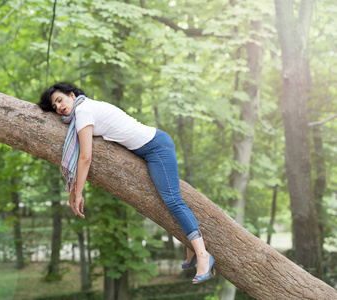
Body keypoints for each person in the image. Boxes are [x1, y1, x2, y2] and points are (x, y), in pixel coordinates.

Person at [39, 82, 215, 284]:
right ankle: (191, 246)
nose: (59, 107)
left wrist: (78, 193)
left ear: (72, 95)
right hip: (149, 149)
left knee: (173, 200)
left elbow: (85, 157)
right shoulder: (86, 108)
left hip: (156, 147)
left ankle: (203, 255)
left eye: (60, 100)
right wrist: (73, 189)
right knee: (167, 201)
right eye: (54, 106)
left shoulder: (83, 111)